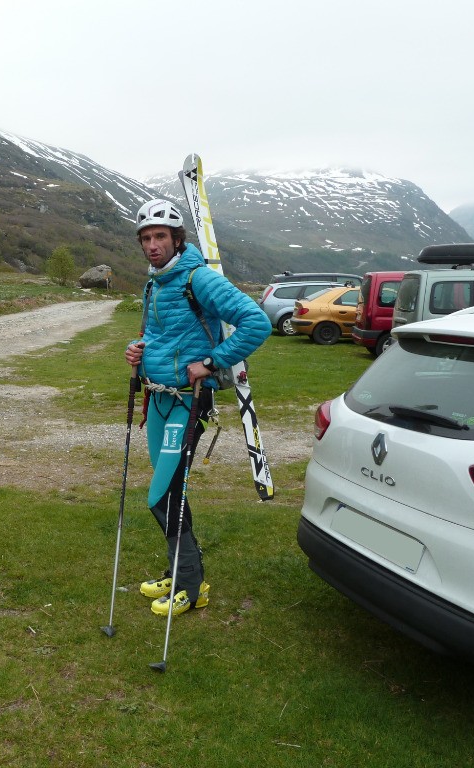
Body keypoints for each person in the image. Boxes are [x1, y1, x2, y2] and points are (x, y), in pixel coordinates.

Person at [124, 199, 270, 617]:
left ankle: (191, 585)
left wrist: (209, 362)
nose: (152, 245)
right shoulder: (154, 282)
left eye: (160, 237)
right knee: (170, 493)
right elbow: (154, 332)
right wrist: (136, 350)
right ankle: (180, 571)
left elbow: (256, 323)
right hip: (158, 399)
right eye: (146, 238)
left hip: (188, 402)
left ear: (176, 239)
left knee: (161, 496)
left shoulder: (198, 278)